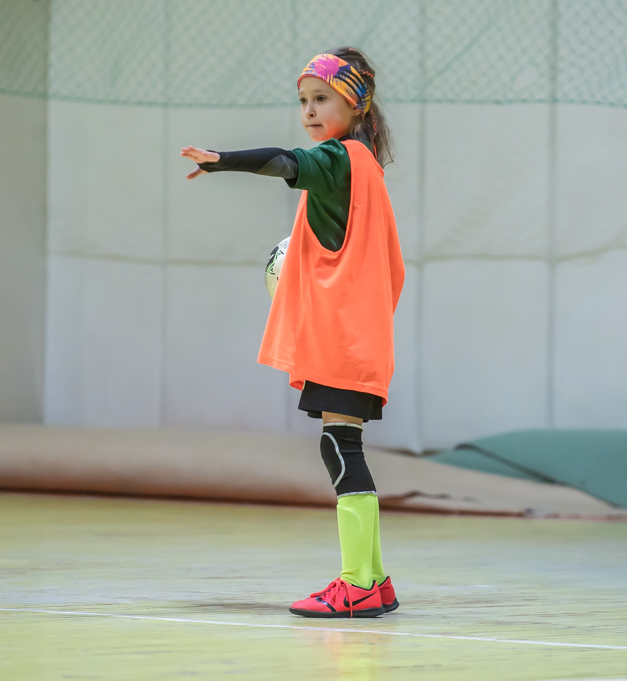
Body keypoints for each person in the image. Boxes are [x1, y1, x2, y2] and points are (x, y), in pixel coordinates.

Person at [181, 48, 405, 618]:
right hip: (360, 336)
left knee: (340, 449)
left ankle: (356, 584)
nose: (308, 110)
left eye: (321, 98)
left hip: (344, 339)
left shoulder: (336, 159)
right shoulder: (366, 166)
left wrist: (222, 160)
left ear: (356, 104)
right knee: (344, 445)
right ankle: (375, 581)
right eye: (303, 100)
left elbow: (285, 162)